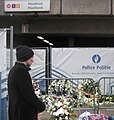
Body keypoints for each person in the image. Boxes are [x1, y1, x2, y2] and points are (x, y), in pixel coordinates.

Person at [8, 45, 46, 120]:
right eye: (31, 57)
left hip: (16, 112)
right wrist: (41, 106)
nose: (32, 60)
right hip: (23, 114)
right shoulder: (21, 72)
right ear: (26, 57)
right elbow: (28, 94)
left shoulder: (14, 70)